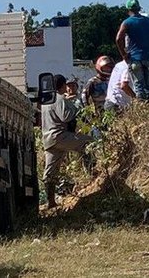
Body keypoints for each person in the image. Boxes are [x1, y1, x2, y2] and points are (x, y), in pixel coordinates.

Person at [41, 74, 94, 209]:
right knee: (89, 143)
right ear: (62, 85)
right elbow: (66, 116)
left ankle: (50, 201)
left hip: (48, 140)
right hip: (60, 136)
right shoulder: (59, 99)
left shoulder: (46, 100)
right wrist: (74, 109)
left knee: (50, 173)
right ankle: (93, 174)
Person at [116, 0, 149, 101]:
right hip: (148, 57)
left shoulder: (127, 22)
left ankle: (143, 108)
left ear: (128, 10)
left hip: (134, 58)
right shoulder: (148, 21)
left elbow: (118, 39)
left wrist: (124, 54)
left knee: (139, 87)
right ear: (139, 8)